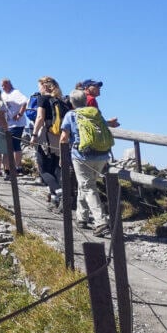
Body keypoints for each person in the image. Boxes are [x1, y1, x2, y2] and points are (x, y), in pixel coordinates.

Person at [60, 89, 119, 238]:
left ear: (72, 103)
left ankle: (100, 222)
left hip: (81, 156)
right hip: (101, 155)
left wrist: (63, 156)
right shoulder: (94, 113)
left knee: (88, 187)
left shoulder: (70, 115)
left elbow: (63, 138)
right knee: (85, 184)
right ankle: (82, 217)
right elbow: (104, 125)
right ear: (85, 101)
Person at [29, 76, 68, 207]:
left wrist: (34, 135)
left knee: (43, 170)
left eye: (39, 86)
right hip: (59, 137)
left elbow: (40, 117)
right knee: (54, 168)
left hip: (46, 135)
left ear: (44, 86)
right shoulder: (61, 101)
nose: (39, 88)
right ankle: (55, 200)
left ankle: (59, 191)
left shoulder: (43, 98)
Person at [0, 78, 29, 174]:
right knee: (11, 145)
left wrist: (20, 114)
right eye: (1, 85)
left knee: (14, 144)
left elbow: (25, 102)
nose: (2, 87)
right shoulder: (3, 95)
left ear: (8, 84)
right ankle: (15, 167)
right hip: (8, 123)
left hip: (17, 123)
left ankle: (16, 167)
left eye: (4, 85)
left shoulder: (15, 92)